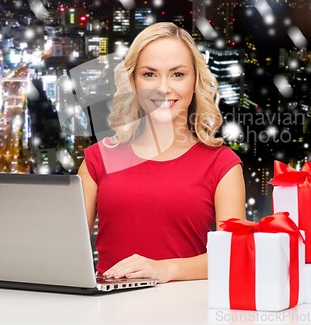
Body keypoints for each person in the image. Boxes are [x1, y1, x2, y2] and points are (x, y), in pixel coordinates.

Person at [78, 22, 245, 283]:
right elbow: (67, 249)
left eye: (177, 74)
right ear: (133, 81)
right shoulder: (97, 160)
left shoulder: (222, 164)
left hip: (186, 311)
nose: (163, 88)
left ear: (195, 81)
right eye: (149, 74)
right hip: (108, 312)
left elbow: (235, 254)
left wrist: (164, 270)